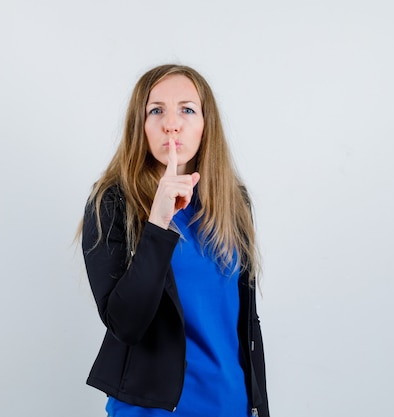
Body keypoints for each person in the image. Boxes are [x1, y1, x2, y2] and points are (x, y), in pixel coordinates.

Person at [79, 64, 269, 417]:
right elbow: (125, 323)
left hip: (232, 406)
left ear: (205, 125)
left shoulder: (234, 202)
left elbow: (245, 324)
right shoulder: (112, 201)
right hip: (153, 411)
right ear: (141, 126)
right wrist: (158, 222)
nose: (172, 123)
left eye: (187, 109)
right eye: (156, 110)